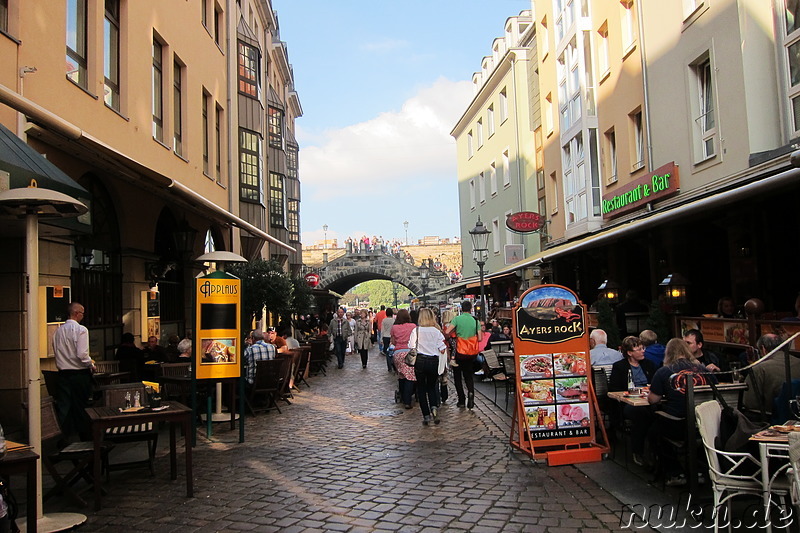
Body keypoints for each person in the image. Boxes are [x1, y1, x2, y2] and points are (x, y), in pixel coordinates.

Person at [648, 338, 712, 486]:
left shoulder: (664, 371)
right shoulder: (703, 370)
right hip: (704, 424)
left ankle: (674, 472)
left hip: (678, 424)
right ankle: (701, 470)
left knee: (654, 432)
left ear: (668, 353)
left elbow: (653, 400)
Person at [609, 336, 657, 466]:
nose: (643, 351)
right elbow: (614, 388)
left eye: (643, 348)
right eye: (639, 349)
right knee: (642, 416)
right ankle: (638, 452)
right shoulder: (620, 367)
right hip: (628, 403)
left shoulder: (649, 364)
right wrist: (635, 392)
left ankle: (655, 452)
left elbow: (656, 384)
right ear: (629, 352)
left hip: (649, 400)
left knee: (657, 414)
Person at [52, 302, 95, 439]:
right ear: (76, 313)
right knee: (81, 406)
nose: (83, 316)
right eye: (82, 313)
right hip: (79, 374)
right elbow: (82, 354)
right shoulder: (81, 330)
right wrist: (90, 364)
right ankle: (84, 436)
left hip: (63, 374)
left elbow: (56, 351)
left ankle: (64, 435)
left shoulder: (57, 331)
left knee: (64, 406)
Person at [743, 333, 800, 417]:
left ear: (763, 349)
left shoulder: (759, 369)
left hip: (772, 418)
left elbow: (750, 403)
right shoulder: (798, 362)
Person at [410, 308, 447, 425]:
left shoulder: (416, 330)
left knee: (421, 388)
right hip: (433, 361)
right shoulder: (436, 332)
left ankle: (426, 415)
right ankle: (434, 408)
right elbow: (442, 348)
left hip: (420, 360)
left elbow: (411, 346)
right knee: (432, 386)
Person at [444, 300, 482, 409]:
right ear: (471, 309)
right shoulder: (475, 321)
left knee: (457, 377)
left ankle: (461, 399)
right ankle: (471, 393)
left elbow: (447, 332)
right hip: (471, 352)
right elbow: (479, 338)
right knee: (468, 375)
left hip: (459, 352)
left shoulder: (457, 319)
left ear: (461, 308)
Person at [391, 309, 418, 408]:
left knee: (401, 375)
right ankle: (407, 400)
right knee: (410, 377)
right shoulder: (413, 326)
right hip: (409, 353)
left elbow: (393, 341)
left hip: (398, 353)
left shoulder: (394, 327)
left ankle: (402, 396)